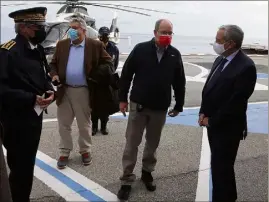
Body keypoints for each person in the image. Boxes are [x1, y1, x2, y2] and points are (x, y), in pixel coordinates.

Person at [117, 19, 186, 200]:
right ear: (155, 32)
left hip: (160, 108)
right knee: (132, 144)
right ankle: (126, 179)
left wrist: (179, 105)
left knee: (152, 144)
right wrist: (122, 99)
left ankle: (147, 172)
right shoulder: (140, 49)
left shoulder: (174, 54)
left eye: (170, 33)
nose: (167, 36)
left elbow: (179, 82)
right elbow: (126, 75)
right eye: (163, 32)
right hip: (138, 106)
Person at [0, 7, 55, 202]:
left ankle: (22, 196)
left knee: (27, 164)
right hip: (16, 120)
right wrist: (31, 98)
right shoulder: (8, 52)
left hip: (34, 117)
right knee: (20, 167)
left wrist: (50, 91)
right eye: (37, 27)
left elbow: (44, 76)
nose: (41, 31)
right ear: (23, 28)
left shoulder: (38, 50)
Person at [198, 25, 257, 202]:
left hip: (227, 127)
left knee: (222, 169)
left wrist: (212, 120)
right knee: (218, 167)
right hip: (212, 123)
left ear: (230, 43)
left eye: (218, 40)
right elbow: (209, 88)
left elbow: (236, 103)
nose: (215, 43)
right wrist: (203, 112)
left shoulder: (246, 67)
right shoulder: (220, 59)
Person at [49, 14, 113, 169]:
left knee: (84, 125)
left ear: (83, 30)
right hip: (64, 90)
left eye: (75, 28)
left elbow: (108, 63)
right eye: (70, 28)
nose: (71, 31)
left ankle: (85, 150)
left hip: (83, 90)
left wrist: (94, 76)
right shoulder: (62, 45)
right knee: (64, 124)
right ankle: (64, 151)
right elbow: (53, 64)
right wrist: (55, 74)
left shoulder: (94, 45)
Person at [91, 26, 120, 136]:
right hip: (96, 80)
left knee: (106, 104)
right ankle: (94, 127)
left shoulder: (113, 48)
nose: (104, 38)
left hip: (107, 80)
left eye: (106, 36)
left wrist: (109, 73)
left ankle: (103, 126)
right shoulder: (95, 47)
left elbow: (115, 63)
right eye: (102, 36)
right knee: (94, 105)